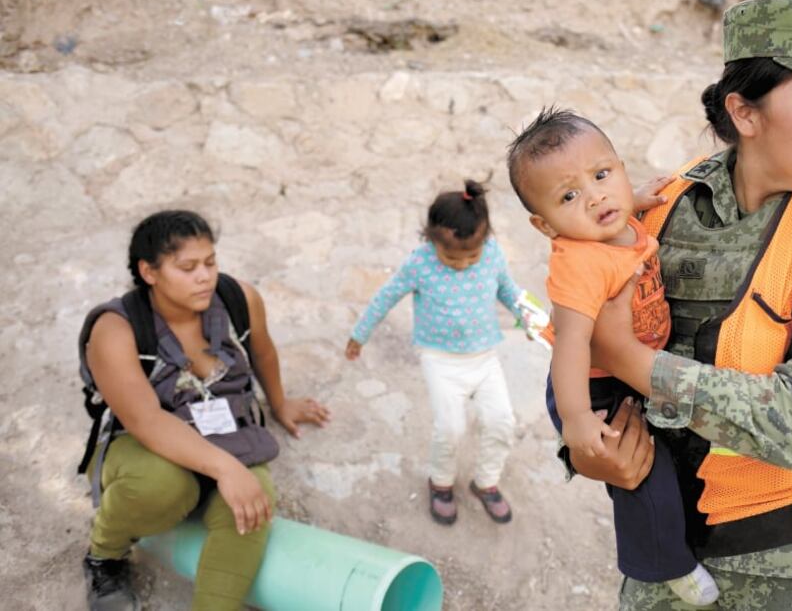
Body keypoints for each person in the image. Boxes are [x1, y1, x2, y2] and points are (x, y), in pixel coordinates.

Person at [563, 0, 792, 609]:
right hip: (675, 546)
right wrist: (590, 448)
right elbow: (584, 338)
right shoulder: (671, 203)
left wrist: (631, 361)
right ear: (744, 111)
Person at [506, 108, 718, 606]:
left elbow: (618, 208)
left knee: (668, 457)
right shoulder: (578, 260)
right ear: (544, 224)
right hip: (593, 385)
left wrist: (636, 201)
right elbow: (572, 343)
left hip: (630, 369)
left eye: (602, 176)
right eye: (569, 196)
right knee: (642, 470)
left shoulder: (616, 225)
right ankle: (668, 566)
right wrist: (577, 418)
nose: (596, 196)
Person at [79, 210, 330, 611]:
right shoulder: (117, 330)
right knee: (167, 486)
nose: (205, 277)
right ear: (149, 272)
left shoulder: (237, 300)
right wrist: (228, 468)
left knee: (253, 503)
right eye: (187, 267)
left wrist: (280, 403)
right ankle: (104, 556)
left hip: (224, 429)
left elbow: (262, 348)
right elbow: (146, 420)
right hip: (142, 445)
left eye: (211, 262)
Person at [345, 179, 521, 526]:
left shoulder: (493, 255)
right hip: (440, 360)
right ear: (430, 239)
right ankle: (440, 482)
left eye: (472, 254)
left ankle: (485, 481)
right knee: (451, 427)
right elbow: (385, 296)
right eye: (452, 256)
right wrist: (359, 334)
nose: (462, 263)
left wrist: (530, 321)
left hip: (484, 357)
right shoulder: (420, 263)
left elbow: (508, 291)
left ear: (486, 238)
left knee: (501, 421)